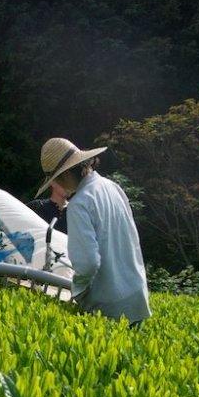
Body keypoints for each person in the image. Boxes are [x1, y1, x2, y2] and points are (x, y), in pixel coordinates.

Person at [35, 138, 150, 326]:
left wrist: (77, 291)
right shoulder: (112, 187)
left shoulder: (79, 203)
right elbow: (132, 239)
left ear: (64, 175)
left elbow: (88, 263)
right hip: (136, 295)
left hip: (110, 306)